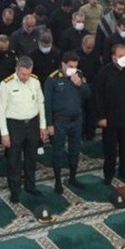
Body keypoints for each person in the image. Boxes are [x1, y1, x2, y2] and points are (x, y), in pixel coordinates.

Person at [0, 56, 47, 203]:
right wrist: (4, 133)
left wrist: (42, 125)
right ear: (17, 69)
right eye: (23, 74)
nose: (26, 77)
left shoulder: (35, 81)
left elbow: (40, 103)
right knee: (14, 160)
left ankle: (31, 186)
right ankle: (15, 190)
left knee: (32, 157)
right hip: (14, 125)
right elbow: (0, 110)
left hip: (32, 124)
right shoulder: (6, 84)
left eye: (28, 74)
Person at [93, 44, 125, 184]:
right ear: (113, 57)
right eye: (120, 56)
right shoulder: (104, 73)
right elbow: (98, 97)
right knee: (110, 149)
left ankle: (124, 172)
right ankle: (108, 174)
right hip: (110, 118)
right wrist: (101, 117)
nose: (124, 58)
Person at [44, 51, 90, 193]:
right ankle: (58, 181)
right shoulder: (52, 79)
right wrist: (49, 124)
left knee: (75, 150)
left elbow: (88, 95)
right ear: (63, 64)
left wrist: (80, 84)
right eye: (70, 66)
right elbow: (47, 103)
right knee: (58, 151)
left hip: (76, 120)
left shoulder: (79, 75)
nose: (73, 69)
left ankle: (73, 177)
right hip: (60, 121)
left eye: (75, 66)